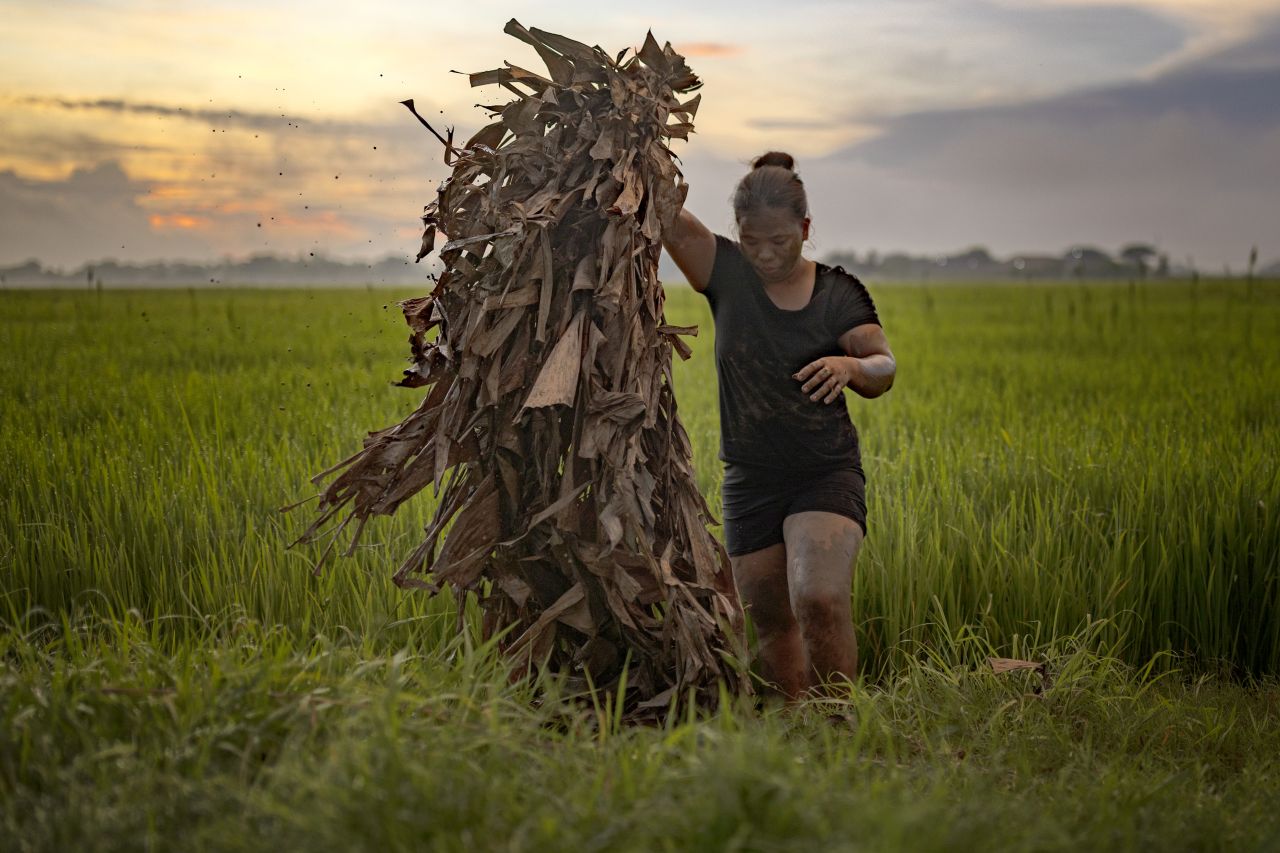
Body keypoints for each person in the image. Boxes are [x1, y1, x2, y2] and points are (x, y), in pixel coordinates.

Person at [661, 151, 896, 699]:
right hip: (750, 480)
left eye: (780, 241)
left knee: (818, 598)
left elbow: (884, 366)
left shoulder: (838, 293)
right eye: (752, 241)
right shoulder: (727, 276)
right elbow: (664, 210)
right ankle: (794, 738)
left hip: (824, 473)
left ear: (805, 229)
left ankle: (839, 729)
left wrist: (851, 365)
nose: (765, 254)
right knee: (768, 622)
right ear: (737, 234)